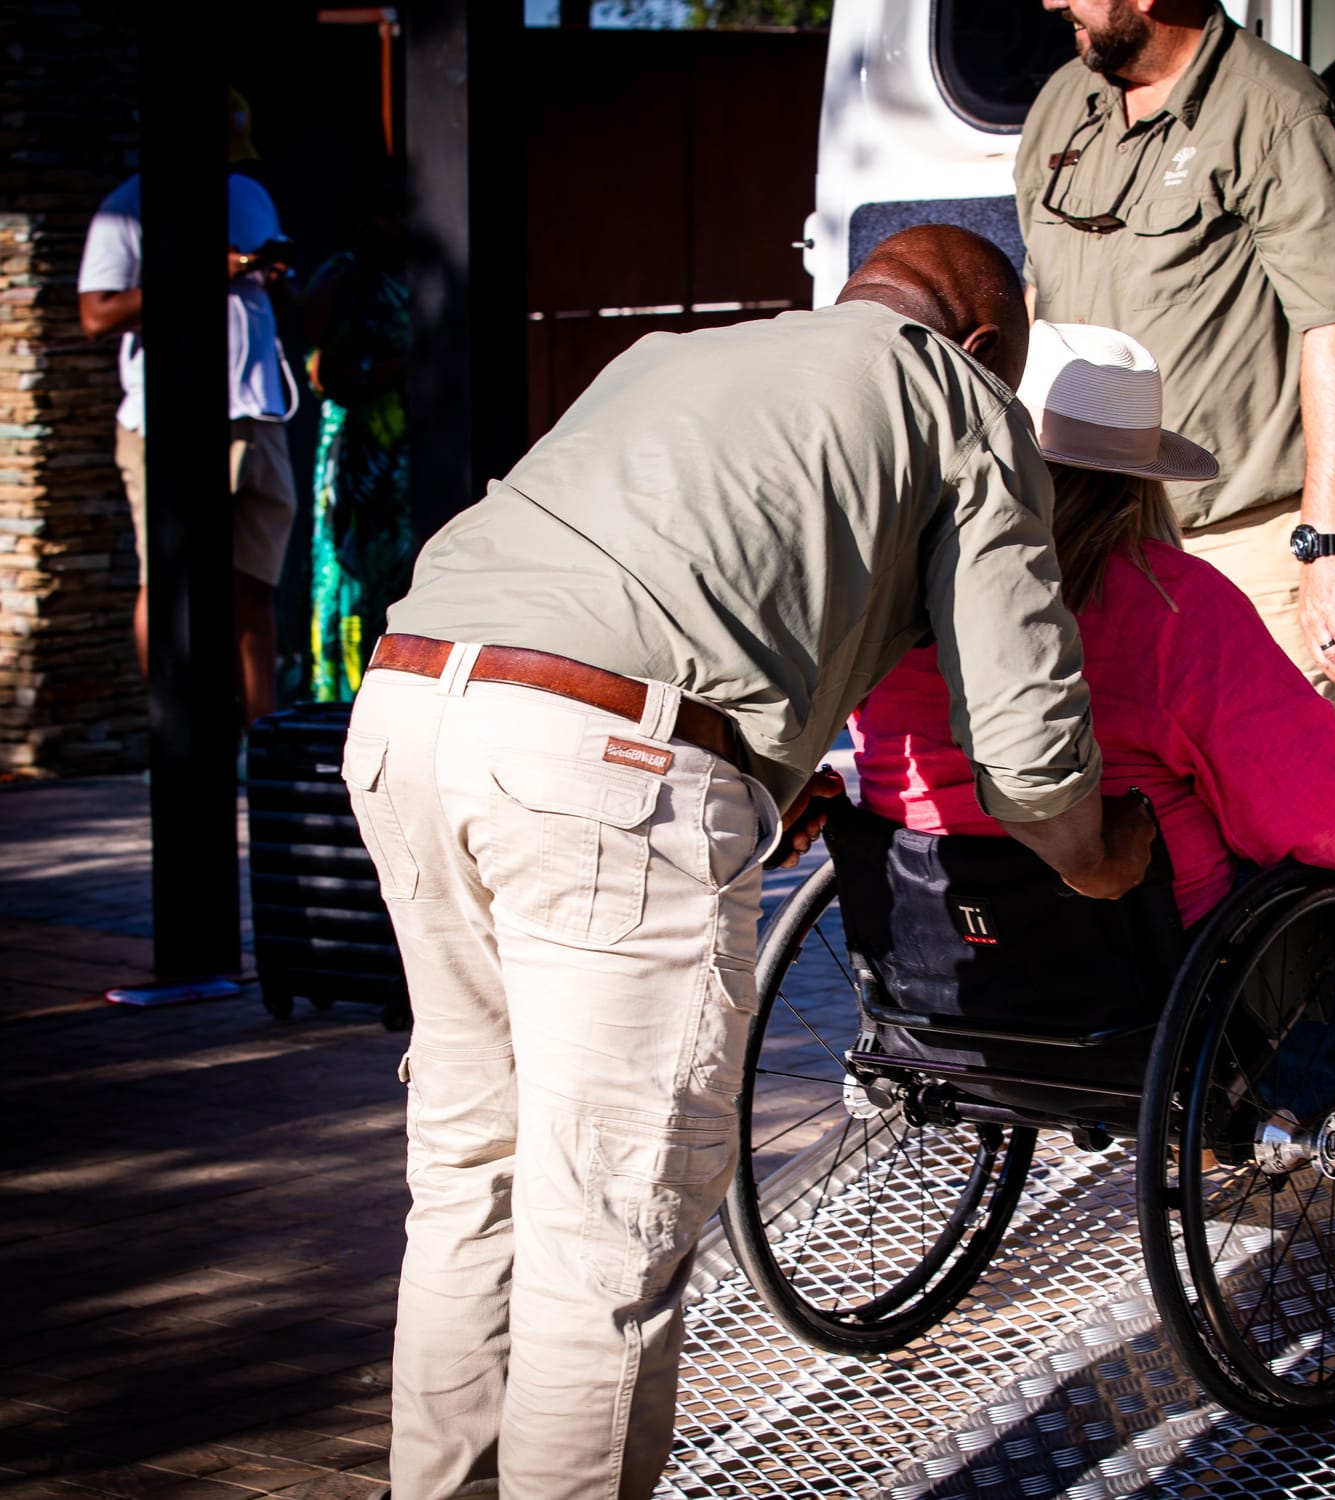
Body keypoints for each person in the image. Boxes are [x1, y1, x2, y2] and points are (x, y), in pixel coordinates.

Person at [344, 226, 1155, 1500]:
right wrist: (1093, 855)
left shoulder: (680, 353)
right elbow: (1022, 725)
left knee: (468, 1183)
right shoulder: (957, 398)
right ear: (990, 344)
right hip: (604, 762)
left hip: (408, 712)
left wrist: (748, 780)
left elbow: (673, 593)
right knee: (606, 1238)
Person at [850, 321, 1335, 1085]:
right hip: (1143, 969)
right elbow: (1299, 792)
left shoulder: (897, 591)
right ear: (1135, 475)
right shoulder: (1167, 604)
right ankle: (1301, 1076)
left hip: (939, 940)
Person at [1015, 0, 1335, 706]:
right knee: (1109, 790)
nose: (1052, 2)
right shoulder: (1064, 101)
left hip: (1234, 538)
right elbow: (1038, 298)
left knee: (1272, 795)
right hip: (1076, 531)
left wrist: (1325, 553)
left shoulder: (1279, 112)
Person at [76, 88, 300, 726]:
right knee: (172, 579)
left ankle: (259, 733)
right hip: (167, 422)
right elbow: (96, 313)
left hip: (257, 410)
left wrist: (270, 270)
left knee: (254, 583)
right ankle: (174, 732)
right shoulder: (126, 209)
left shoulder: (247, 194)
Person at [301, 173, 412, 701]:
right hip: (353, 447)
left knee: (392, 569)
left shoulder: (402, 275)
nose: (394, 225)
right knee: (345, 576)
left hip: (395, 450)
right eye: (382, 213)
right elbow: (322, 369)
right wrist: (393, 369)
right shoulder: (340, 276)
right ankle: (341, 695)